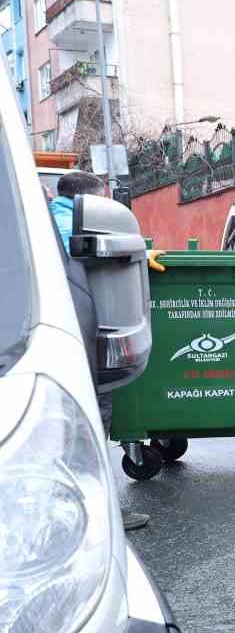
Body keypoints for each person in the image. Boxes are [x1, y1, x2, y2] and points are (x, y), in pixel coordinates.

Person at [52, 172, 162, 532]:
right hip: (83, 342)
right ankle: (95, 516)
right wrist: (139, 251)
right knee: (89, 428)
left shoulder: (49, 218)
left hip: (60, 339)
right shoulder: (75, 224)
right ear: (92, 201)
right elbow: (98, 251)